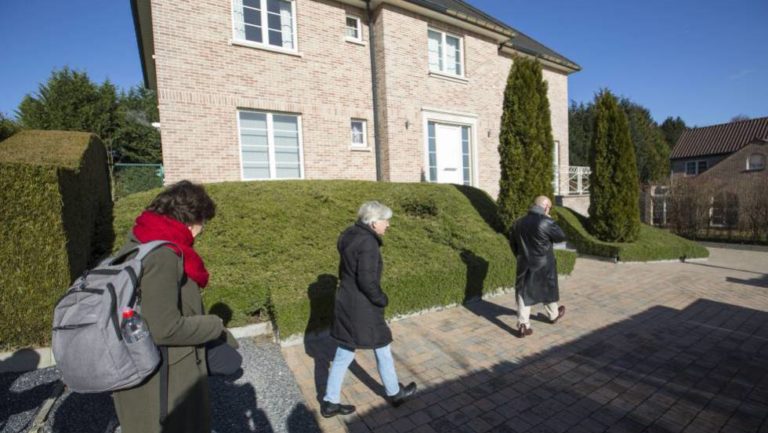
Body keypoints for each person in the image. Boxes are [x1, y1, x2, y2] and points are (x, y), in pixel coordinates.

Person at [112, 180, 239, 433]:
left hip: (147, 373)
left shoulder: (140, 241)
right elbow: (164, 327)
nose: (201, 231)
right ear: (190, 220)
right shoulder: (163, 256)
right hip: (165, 386)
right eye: (202, 223)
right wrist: (214, 325)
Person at [321, 201, 417, 418]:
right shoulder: (368, 243)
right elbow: (366, 281)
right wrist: (381, 299)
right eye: (386, 220)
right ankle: (395, 393)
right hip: (362, 307)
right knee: (382, 345)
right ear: (374, 223)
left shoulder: (349, 234)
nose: (388, 225)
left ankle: (330, 402)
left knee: (344, 351)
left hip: (345, 301)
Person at [510, 196, 567, 338]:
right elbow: (561, 236)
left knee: (523, 291)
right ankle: (553, 316)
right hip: (544, 263)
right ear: (546, 206)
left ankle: (523, 324)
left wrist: (522, 256)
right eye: (550, 207)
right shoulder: (546, 221)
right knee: (547, 287)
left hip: (524, 263)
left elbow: (513, 245)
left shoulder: (518, 222)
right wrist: (549, 219)